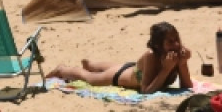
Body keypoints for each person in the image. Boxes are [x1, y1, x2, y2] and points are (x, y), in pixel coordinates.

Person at [46, 21, 193, 93]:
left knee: (117, 66)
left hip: (132, 68)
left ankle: (91, 65)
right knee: (89, 77)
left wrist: (182, 64)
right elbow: (145, 90)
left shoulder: (179, 54)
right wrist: (166, 70)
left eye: (177, 39)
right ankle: (62, 69)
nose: (176, 44)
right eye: (170, 42)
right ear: (159, 45)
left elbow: (187, 86)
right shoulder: (151, 57)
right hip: (119, 76)